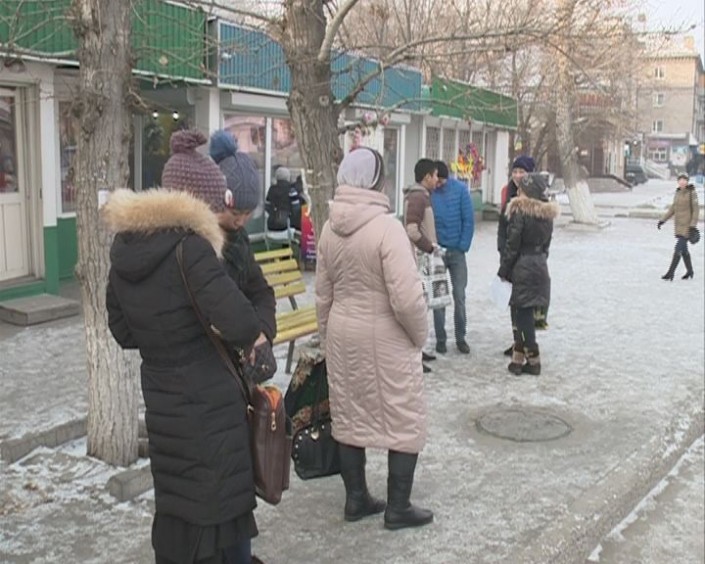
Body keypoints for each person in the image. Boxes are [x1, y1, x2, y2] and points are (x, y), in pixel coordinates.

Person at [105, 129, 263, 564]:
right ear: (196, 203)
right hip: (208, 404)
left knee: (179, 502)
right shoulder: (191, 249)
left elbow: (122, 331)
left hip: (162, 400)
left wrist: (163, 337)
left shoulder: (125, 248)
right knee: (219, 506)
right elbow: (239, 321)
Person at [316, 147, 434, 530]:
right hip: (387, 337)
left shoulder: (329, 228)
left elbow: (323, 294)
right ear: (377, 182)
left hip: (342, 332)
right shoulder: (387, 228)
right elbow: (406, 298)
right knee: (403, 415)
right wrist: (419, 336)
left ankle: (356, 499)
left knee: (349, 415)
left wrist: (326, 338)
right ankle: (398, 507)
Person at [210, 129, 277, 349]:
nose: (241, 221)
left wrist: (263, 331)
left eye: (248, 213)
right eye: (235, 213)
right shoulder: (200, 242)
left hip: (239, 344)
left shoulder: (240, 240)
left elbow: (261, 291)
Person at [498, 173, 559, 377]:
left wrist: (503, 270)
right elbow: (547, 246)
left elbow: (512, 245)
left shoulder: (520, 211)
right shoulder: (547, 214)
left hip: (521, 266)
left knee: (521, 315)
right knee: (524, 313)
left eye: (521, 189)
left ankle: (533, 360)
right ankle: (517, 358)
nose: (518, 192)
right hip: (539, 265)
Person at [497, 156, 549, 356]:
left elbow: (517, 239)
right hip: (520, 258)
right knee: (517, 305)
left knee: (524, 306)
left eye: (522, 172)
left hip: (522, 261)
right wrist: (503, 251)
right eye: (515, 171)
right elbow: (503, 229)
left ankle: (527, 350)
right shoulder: (509, 193)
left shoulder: (527, 206)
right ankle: (518, 344)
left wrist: (507, 265)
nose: (517, 175)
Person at [430, 160, 474, 355]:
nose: (437, 184)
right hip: (437, 252)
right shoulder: (430, 193)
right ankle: (441, 339)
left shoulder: (461, 191)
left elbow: (468, 220)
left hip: (457, 251)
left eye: (440, 181)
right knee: (438, 298)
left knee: (459, 295)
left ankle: (460, 337)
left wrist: (463, 245)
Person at [403, 158, 440, 372]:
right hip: (419, 260)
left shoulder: (421, 195)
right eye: (435, 175)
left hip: (422, 258)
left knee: (422, 307)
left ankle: (419, 350)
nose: (437, 179)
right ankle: (413, 355)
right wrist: (429, 247)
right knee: (417, 308)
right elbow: (412, 230)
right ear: (426, 177)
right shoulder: (418, 197)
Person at [658, 173, 699, 280]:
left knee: (678, 249)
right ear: (678, 182)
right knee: (684, 250)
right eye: (680, 180)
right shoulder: (677, 193)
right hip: (679, 225)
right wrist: (663, 220)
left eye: (684, 180)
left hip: (687, 226)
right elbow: (673, 208)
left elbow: (696, 210)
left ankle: (670, 273)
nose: (682, 182)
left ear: (687, 181)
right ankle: (690, 271)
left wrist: (693, 225)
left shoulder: (691, 193)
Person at [265, 166, 302, 232]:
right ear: (288, 177)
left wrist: (273, 213)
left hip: (271, 224)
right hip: (287, 225)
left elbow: (267, 206)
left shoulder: (271, 189)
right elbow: (296, 209)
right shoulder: (291, 190)